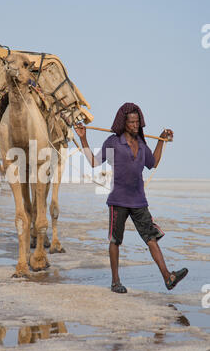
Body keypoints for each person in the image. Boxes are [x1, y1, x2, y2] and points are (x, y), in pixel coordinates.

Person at [74, 102, 188, 294]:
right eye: (132, 122)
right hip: (118, 201)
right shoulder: (113, 142)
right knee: (115, 241)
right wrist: (83, 139)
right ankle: (115, 282)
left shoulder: (142, 144)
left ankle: (168, 277)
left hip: (139, 201)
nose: (136, 126)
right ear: (123, 123)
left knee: (151, 238)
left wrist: (161, 140)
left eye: (138, 122)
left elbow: (154, 163)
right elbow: (94, 162)